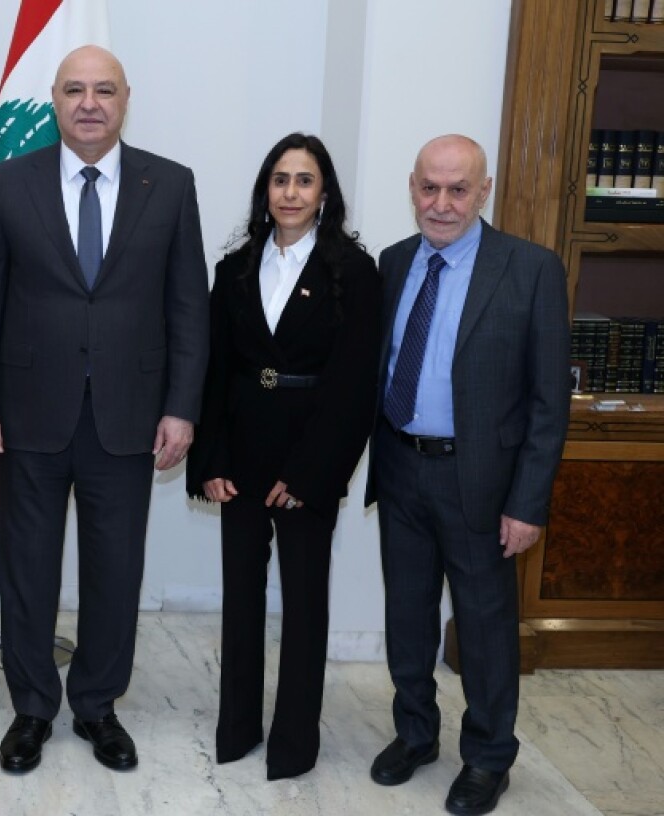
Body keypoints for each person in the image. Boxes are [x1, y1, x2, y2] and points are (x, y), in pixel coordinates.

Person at [0, 45, 209, 773]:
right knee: (27, 570)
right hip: (29, 413)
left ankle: (97, 704)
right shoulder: (8, 184)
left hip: (130, 417)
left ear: (125, 99)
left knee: (115, 570)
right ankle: (32, 708)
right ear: (56, 101)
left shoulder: (171, 185)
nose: (89, 103)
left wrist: (182, 407)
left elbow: (188, 306)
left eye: (103, 90)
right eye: (74, 90)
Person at [365, 135, 570, 815]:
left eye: (458, 190)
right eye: (430, 188)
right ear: (412, 186)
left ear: (483, 192)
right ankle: (416, 735)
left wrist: (528, 502)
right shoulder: (393, 263)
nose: (442, 203)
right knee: (408, 617)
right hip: (400, 469)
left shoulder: (531, 270)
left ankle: (487, 757)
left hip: (482, 483)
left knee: (484, 630)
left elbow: (548, 402)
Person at [186, 133, 380, 780]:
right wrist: (209, 461)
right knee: (241, 602)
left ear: (325, 194)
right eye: (280, 179)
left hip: (308, 457)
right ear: (264, 191)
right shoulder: (235, 268)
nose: (290, 192)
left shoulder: (352, 271)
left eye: (304, 180)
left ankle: (295, 743)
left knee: (304, 606)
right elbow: (214, 373)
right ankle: (237, 730)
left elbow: (355, 387)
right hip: (239, 454)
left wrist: (310, 475)